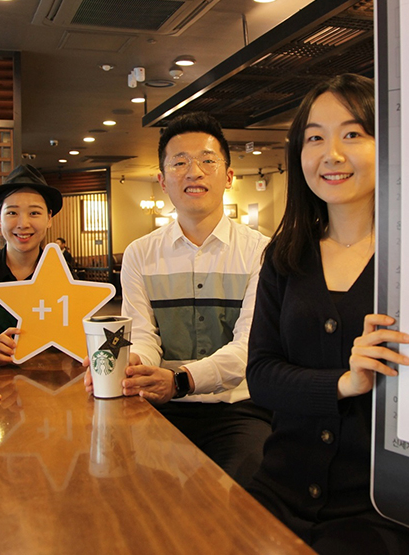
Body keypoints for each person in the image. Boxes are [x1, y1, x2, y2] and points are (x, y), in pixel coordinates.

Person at [245, 74, 409, 554]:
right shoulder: (285, 256)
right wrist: (343, 383)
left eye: (352, 134)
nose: (331, 154)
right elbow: (261, 377)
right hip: (278, 489)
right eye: (315, 138)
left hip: (382, 508)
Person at [87, 112, 271, 487]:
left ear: (228, 176)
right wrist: (131, 365)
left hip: (238, 409)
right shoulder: (140, 254)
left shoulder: (261, 252)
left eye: (207, 161)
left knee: (240, 489)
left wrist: (182, 380)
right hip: (160, 404)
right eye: (180, 163)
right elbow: (143, 336)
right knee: (130, 486)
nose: (194, 172)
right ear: (162, 179)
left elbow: (249, 347)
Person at [0, 164, 63, 364]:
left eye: (34, 213)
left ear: (49, 218)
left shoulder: (61, 272)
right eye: (12, 213)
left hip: (48, 372)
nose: (23, 224)